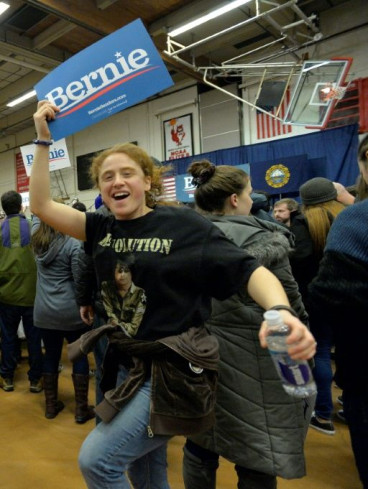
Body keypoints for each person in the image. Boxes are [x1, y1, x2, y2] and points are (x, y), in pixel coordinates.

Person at [28, 100, 315, 489]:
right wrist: (43, 141)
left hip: (174, 370)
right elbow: (41, 205)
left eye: (127, 173)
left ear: (148, 181)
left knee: (98, 461)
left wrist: (280, 309)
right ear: (100, 189)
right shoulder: (99, 228)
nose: (117, 182)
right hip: (125, 364)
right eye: (107, 176)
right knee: (145, 468)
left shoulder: (183, 225)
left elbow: (250, 271)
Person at [182, 160, 312, 489]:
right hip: (256, 364)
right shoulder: (264, 241)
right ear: (235, 199)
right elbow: (289, 307)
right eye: (250, 192)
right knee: (257, 455)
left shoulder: (183, 239)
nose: (253, 199)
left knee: (199, 445)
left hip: (197, 358)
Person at [309, 135, 368, 486]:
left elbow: (328, 293)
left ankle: (324, 414)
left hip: (359, 357)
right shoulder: (347, 218)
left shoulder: (354, 220)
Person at [31, 214, 94, 423]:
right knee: (78, 356)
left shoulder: (36, 242)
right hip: (70, 312)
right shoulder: (73, 244)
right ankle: (81, 410)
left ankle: (50, 407)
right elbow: (79, 280)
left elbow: (35, 218)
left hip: (44, 311)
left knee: (50, 355)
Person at [299, 176, 346, 435]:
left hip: (315, 299)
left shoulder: (306, 224)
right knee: (349, 353)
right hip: (349, 299)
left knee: (320, 353)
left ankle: (323, 414)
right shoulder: (348, 218)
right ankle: (349, 407)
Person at [0, 191, 43, 393]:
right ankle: (36, 380)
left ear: (3, 208)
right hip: (33, 294)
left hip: (7, 294)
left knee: (9, 337)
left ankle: (7, 377)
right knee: (34, 338)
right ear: (21, 206)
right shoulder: (34, 228)